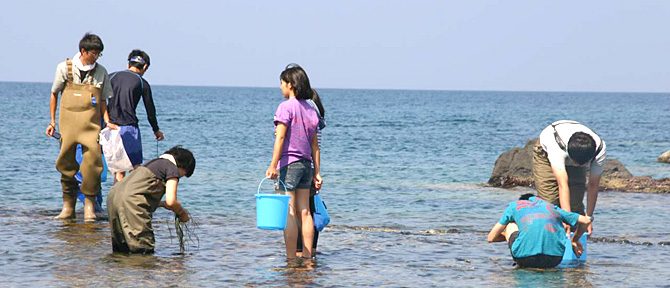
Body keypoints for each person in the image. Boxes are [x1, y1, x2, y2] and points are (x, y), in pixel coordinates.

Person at [45, 33, 114, 222]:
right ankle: (68, 207)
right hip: (67, 126)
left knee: (92, 165)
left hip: (91, 127)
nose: (97, 57)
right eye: (94, 53)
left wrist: (107, 122)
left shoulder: (101, 71)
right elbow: (54, 94)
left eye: (99, 54)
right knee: (66, 164)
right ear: (83, 51)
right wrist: (52, 122)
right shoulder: (64, 68)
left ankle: (90, 208)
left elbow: (102, 101)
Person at [266, 64, 322, 260]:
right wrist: (317, 173)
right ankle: (307, 257)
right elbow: (315, 146)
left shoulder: (285, 107)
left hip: (289, 164)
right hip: (307, 165)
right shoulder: (311, 110)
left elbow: (280, 138)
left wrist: (273, 165)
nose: (281, 87)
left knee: (289, 211)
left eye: (282, 83)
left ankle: (291, 257)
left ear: (290, 84)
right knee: (305, 211)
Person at [107, 146, 195, 254]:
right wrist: (182, 214)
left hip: (113, 197)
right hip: (131, 202)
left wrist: (161, 204)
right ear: (183, 167)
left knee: (121, 249)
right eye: (183, 175)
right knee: (143, 249)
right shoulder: (172, 168)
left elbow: (138, 192)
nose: (180, 177)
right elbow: (171, 201)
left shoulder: (153, 163)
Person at [532, 120, 606, 234]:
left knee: (576, 207)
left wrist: (589, 218)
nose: (577, 166)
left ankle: (576, 244)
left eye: (581, 165)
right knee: (550, 204)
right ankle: (546, 240)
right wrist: (566, 219)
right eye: (576, 163)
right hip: (545, 154)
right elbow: (563, 184)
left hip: (578, 151)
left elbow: (593, 185)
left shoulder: (599, 150)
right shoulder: (556, 146)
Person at [487, 193, 593, 269]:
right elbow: (586, 220)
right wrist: (574, 239)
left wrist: (507, 234)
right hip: (554, 259)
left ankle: (523, 257)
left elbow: (491, 238)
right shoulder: (552, 208)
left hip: (525, 258)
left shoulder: (514, 206)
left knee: (511, 224)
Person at [107, 49, 164, 183]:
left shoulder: (111, 76)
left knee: (118, 171)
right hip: (129, 128)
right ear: (145, 67)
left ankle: (115, 201)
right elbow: (150, 110)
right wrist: (156, 130)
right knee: (135, 168)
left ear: (129, 63)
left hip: (109, 127)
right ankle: (130, 200)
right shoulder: (142, 82)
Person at [297, 89, 326, 257]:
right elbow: (317, 148)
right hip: (312, 167)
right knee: (311, 210)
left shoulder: (306, 116)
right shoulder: (317, 119)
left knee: (300, 212)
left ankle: (300, 251)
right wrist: (317, 172)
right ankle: (312, 250)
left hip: (303, 166)